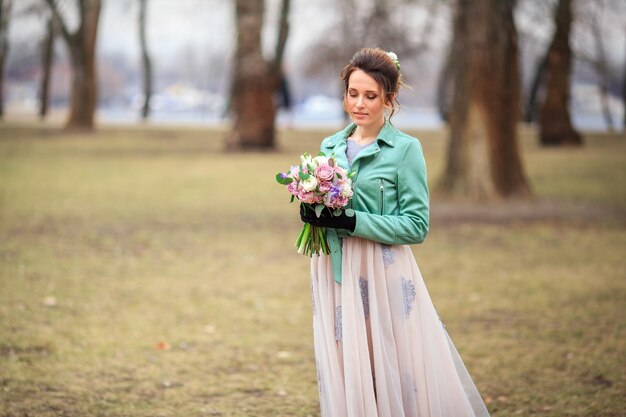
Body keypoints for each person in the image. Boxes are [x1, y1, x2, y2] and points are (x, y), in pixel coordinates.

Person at [300, 48, 491, 417]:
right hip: (333, 271)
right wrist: (311, 211)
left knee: (392, 368)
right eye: (353, 93)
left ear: (389, 99)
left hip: (382, 273)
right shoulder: (330, 147)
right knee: (345, 364)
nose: (359, 104)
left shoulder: (405, 150)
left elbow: (417, 226)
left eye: (370, 96)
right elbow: (324, 203)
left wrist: (354, 221)